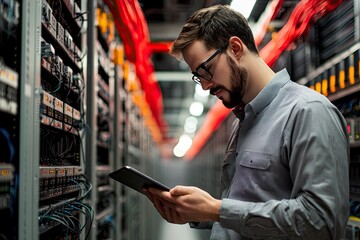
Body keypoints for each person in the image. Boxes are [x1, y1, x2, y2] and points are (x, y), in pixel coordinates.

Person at [144, 4, 350, 240]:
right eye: (197, 77)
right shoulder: (242, 122)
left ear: (235, 48)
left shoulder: (308, 112)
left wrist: (217, 209)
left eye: (206, 70)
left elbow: (322, 222)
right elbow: (248, 213)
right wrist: (200, 213)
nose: (205, 85)